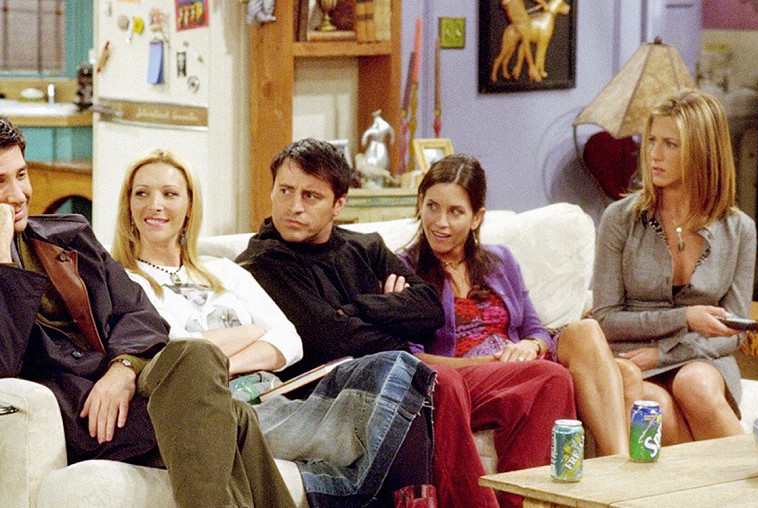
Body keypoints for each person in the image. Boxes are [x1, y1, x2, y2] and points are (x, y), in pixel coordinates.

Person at [235, 138, 576, 508]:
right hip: (333, 391)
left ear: (339, 204)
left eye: (311, 196)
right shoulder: (263, 262)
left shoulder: (366, 246)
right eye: (285, 191)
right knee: (435, 381)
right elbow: (331, 338)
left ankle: (524, 503)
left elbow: (429, 310)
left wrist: (354, 309)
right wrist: (394, 313)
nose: (294, 206)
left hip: (397, 372)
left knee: (549, 378)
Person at [112, 148, 436, 508]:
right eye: (142, 193)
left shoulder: (225, 270)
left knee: (398, 368)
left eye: (169, 194)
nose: (155, 205)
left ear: (189, 206)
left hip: (276, 396)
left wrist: (215, 365)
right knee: (392, 413)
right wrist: (250, 334)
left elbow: (288, 340)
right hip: (220, 409)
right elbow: (173, 350)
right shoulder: (124, 280)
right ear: (128, 205)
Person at [0, 116, 295, 507]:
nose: (19, 194)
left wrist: (122, 370)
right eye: (1, 182)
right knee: (232, 419)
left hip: (126, 383)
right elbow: (4, 363)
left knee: (195, 354)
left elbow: (139, 312)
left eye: (22, 175)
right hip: (80, 411)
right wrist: (4, 262)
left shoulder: (68, 235)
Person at [400, 153, 636, 459]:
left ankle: (616, 466)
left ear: (476, 218)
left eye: (455, 212)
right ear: (420, 203)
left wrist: (531, 345)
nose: (440, 222)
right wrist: (492, 363)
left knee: (599, 344)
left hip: (519, 365)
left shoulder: (501, 260)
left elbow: (535, 328)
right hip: (467, 376)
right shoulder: (404, 268)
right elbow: (411, 358)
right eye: (432, 206)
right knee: (555, 377)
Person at [593, 89, 756, 445]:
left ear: (703, 152)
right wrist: (685, 317)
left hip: (702, 357)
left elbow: (735, 331)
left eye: (671, 144)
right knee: (655, 408)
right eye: (652, 140)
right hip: (633, 358)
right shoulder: (619, 219)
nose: (654, 154)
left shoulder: (740, 229)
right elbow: (604, 319)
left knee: (694, 385)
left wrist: (666, 354)